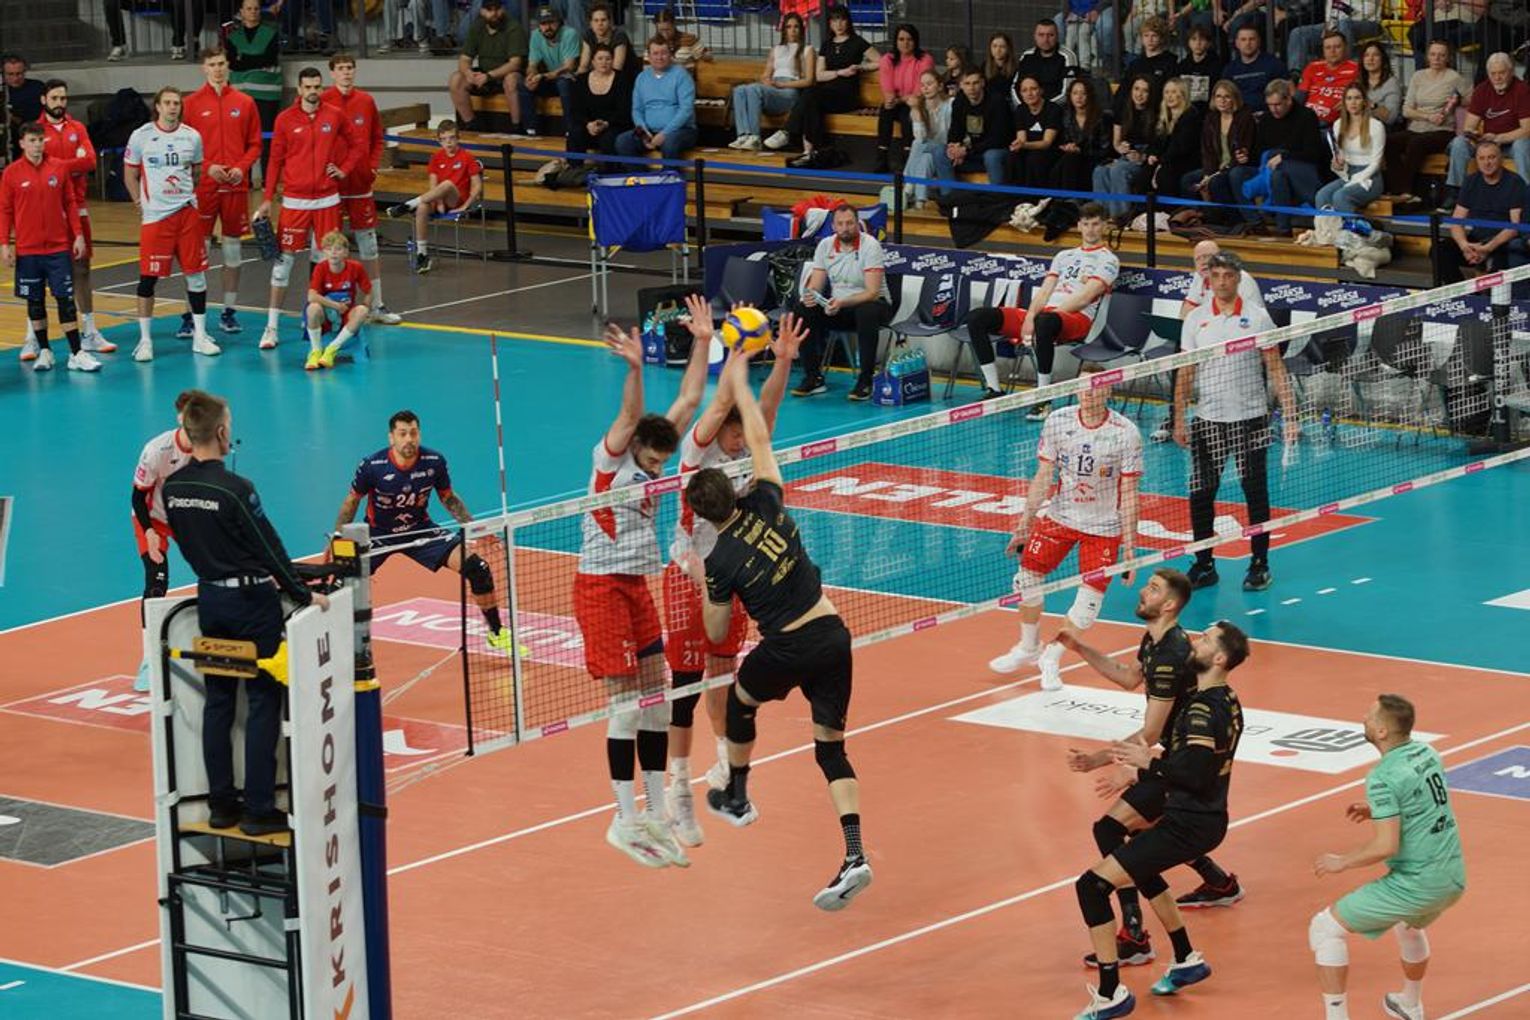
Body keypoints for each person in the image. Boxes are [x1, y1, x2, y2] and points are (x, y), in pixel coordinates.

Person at [683, 349, 872, 912]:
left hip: (788, 645)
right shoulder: (767, 500)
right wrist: (742, 387)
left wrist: (704, 583)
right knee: (831, 751)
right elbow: (762, 440)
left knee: (741, 701)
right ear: (736, 491)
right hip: (832, 632)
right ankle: (854, 853)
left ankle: (738, 795)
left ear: (703, 515)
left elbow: (717, 631)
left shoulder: (718, 560)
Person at [662, 300, 802, 847]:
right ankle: (677, 788)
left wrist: (782, 360)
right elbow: (722, 402)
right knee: (685, 685)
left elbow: (766, 409)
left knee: (724, 677)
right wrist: (733, 351)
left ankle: (724, 770)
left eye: (746, 436)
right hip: (687, 575)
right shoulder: (697, 454)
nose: (742, 441)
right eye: (735, 434)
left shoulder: (748, 449)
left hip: (733, 578)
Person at [574, 306, 710, 869]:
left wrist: (703, 341)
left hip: (636, 584)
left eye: (661, 463)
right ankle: (623, 819)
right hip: (600, 586)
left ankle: (655, 813)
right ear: (633, 448)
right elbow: (631, 414)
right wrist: (634, 368)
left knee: (659, 700)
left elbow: (690, 399)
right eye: (651, 462)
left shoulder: (657, 454)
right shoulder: (610, 460)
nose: (656, 471)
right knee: (626, 706)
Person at [1060, 570, 1245, 969]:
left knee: (1116, 833)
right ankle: (1213, 885)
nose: (1143, 590)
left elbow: (1151, 732)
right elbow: (1129, 677)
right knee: (1130, 835)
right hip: (1174, 762)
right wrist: (1079, 648)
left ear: (1170, 605)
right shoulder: (1156, 640)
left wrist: (1106, 760)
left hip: (1175, 765)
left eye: (1154, 588)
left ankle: (1135, 932)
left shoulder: (1170, 657)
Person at [164, 392, 327, 837]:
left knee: (218, 701)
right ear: (220, 432)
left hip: (210, 601)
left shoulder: (173, 488)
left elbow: (185, 540)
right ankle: (258, 809)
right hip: (252, 605)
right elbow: (268, 546)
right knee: (262, 700)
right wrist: (303, 594)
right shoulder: (237, 489)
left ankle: (221, 805)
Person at [1310, 694, 1466, 1020]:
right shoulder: (1428, 752)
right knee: (1408, 925)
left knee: (1324, 929)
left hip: (1417, 882)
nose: (1364, 719)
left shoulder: (1382, 776)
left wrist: (1342, 861)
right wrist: (1378, 811)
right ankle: (1410, 1004)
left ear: (1382, 732)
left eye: (1369, 716)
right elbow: (1420, 801)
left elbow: (1386, 847)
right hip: (1452, 875)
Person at [988, 362, 1142, 689]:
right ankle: (1029, 647)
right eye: (1083, 386)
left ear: (1109, 390)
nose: (1089, 393)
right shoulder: (1058, 421)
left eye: (1097, 386)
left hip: (1104, 526)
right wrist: (1025, 524)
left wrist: (1130, 548)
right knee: (1026, 579)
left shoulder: (1125, 432)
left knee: (1088, 605)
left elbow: (1130, 491)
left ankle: (1052, 656)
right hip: (1061, 516)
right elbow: (1044, 476)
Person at [335, 409, 520, 651]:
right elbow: (352, 501)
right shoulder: (372, 466)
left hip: (419, 530)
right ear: (391, 437)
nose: (409, 439)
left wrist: (475, 528)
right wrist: (338, 538)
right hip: (379, 533)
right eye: (402, 433)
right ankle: (334, 640)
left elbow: (448, 498)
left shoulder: (434, 462)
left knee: (478, 568)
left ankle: (496, 633)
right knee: (342, 582)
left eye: (413, 433)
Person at [1173, 252, 1299, 591]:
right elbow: (1185, 372)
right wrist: (1178, 418)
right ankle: (1204, 564)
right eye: (1216, 276)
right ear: (1208, 280)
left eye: (1228, 276)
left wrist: (1290, 416)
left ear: (1238, 279)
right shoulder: (1195, 319)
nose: (1222, 282)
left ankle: (1259, 564)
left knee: (1255, 492)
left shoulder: (1257, 318)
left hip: (1250, 419)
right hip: (1208, 420)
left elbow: (1275, 368)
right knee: (1201, 493)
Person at [962, 202, 1118, 405]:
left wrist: (1041, 318)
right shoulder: (1063, 256)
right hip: (1045, 316)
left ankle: (1043, 397)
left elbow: (1085, 298)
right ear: (1079, 226)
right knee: (977, 318)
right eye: (1086, 224)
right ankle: (994, 389)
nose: (1090, 229)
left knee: (1044, 321)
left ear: (1105, 226)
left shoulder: (1108, 260)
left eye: (1096, 224)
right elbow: (1045, 291)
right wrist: (1029, 317)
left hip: (1077, 319)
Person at [253, 67, 360, 352]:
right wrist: (267, 198)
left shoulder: (334, 115)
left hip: (327, 200)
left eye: (317, 86)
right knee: (282, 266)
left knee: (326, 261)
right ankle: (271, 328)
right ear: (299, 89)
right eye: (308, 87)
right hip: (294, 202)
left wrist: (344, 169)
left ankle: (317, 319)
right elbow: (275, 160)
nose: (313, 91)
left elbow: (356, 145)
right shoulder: (285, 119)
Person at [124, 87, 221, 363]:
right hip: (156, 218)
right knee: (148, 279)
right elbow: (130, 173)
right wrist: (139, 202)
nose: (172, 107)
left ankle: (200, 337)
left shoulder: (192, 136)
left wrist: (185, 196)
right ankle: (145, 341)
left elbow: (197, 172)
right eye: (167, 103)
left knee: (196, 275)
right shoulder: (141, 136)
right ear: (157, 106)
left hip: (187, 214)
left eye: (176, 103)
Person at [0, 121, 93, 373]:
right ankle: (45, 351)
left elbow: (70, 203)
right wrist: (4, 243)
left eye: (40, 140)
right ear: (22, 143)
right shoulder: (11, 173)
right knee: (35, 302)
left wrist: (78, 235)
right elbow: (5, 211)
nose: (37, 145)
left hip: (58, 248)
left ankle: (77, 353)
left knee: (65, 300)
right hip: (28, 250)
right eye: (32, 141)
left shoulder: (58, 168)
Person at [32, 80, 113, 360]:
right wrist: (71, 165)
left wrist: (56, 165)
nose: (60, 103)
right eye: (54, 98)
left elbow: (90, 162)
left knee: (82, 268)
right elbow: (36, 167)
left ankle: (89, 331)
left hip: (77, 207)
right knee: (39, 272)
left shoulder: (78, 128)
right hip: (46, 211)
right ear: (44, 100)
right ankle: (33, 337)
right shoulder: (35, 131)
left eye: (63, 98)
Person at [184, 48, 261, 340]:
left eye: (221, 64)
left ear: (228, 66)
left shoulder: (245, 102)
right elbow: (184, 146)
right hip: (203, 189)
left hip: (235, 188)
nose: (217, 69)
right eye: (212, 64)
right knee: (198, 252)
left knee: (233, 252)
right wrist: (208, 167)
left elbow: (255, 144)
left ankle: (229, 311)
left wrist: (242, 168)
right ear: (203, 68)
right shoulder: (191, 104)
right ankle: (192, 315)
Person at [131, 390, 204, 691]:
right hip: (153, 520)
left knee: (217, 570)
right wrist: (149, 533)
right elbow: (138, 496)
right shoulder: (156, 450)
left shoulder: (206, 447)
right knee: (156, 582)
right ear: (179, 417)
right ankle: (149, 659)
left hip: (188, 517)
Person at [322, 54, 402, 326]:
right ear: (332, 73)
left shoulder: (366, 101)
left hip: (360, 185)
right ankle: (329, 310)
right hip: (331, 187)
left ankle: (376, 305)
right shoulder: (323, 100)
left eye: (350, 68)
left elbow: (377, 138)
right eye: (341, 69)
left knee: (369, 247)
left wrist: (372, 168)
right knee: (329, 248)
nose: (346, 73)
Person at [787, 202, 894, 401]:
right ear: (833, 226)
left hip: (875, 305)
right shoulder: (825, 245)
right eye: (840, 224)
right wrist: (812, 297)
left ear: (857, 223)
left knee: (866, 312)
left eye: (850, 223)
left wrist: (841, 303)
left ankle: (865, 381)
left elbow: (872, 292)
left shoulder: (870, 245)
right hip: (839, 307)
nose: (845, 228)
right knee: (802, 310)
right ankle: (813, 377)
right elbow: (816, 285)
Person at [1232, 79, 1333, 234]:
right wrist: (1246, 156)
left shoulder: (1306, 116)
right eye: (1270, 105)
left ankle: (1283, 229)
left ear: (1288, 99)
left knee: (1277, 173)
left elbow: (1313, 154)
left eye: (1278, 104)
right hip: (1268, 167)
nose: (1274, 109)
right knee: (1237, 174)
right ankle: (1256, 223)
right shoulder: (1266, 119)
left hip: (1301, 170)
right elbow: (1259, 153)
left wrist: (1285, 156)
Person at [784, 5, 877, 169]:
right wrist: (840, 72)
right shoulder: (827, 44)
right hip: (826, 93)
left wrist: (861, 67)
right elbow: (819, 75)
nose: (838, 25)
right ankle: (809, 151)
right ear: (830, 24)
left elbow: (881, 61)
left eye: (842, 20)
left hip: (846, 96)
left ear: (848, 22)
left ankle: (791, 133)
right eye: (834, 21)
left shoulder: (857, 42)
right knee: (812, 101)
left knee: (811, 96)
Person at [385, 120, 484, 273]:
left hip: (456, 199)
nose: (448, 142)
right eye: (444, 139)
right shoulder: (436, 157)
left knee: (447, 184)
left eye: (452, 138)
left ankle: (407, 205)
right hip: (439, 199)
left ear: (458, 138)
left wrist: (465, 206)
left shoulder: (467, 157)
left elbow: (477, 185)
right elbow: (433, 186)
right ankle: (422, 255)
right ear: (439, 141)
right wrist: (438, 203)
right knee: (422, 207)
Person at [1382, 41, 1467, 205]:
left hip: (1442, 130)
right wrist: (1428, 117)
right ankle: (1398, 189)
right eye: (1433, 54)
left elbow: (1470, 99)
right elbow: (1406, 110)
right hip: (1417, 127)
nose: (1437, 58)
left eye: (1441, 55)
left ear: (1448, 58)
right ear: (1428, 56)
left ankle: (1405, 191)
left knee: (1416, 143)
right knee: (1389, 141)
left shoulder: (1454, 77)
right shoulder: (1418, 76)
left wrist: (1457, 101)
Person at [1442, 52, 1530, 206]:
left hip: (1512, 144)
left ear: (1511, 72)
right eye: (1493, 74)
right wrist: (1474, 134)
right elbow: (1469, 126)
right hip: (1488, 143)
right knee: (1459, 143)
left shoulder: (1522, 90)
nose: (1497, 78)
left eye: (1501, 73)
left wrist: (1498, 138)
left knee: (1522, 145)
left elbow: (1527, 130)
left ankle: (1526, 195)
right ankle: (1456, 193)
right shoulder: (1482, 89)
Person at [1436, 139, 1528, 283]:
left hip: (1502, 242)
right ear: (1477, 161)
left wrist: (1488, 248)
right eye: (1482, 158)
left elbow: (1515, 226)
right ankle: (1462, 292)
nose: (1487, 163)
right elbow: (1456, 221)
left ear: (1501, 159)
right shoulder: (1471, 181)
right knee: (1439, 251)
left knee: (1507, 255)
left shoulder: (1515, 182)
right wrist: (1464, 246)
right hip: (1477, 240)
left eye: (1491, 157)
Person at [731, 13, 813, 152]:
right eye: (788, 27)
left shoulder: (807, 50)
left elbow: (809, 80)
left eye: (796, 27)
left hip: (789, 90)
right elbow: (765, 75)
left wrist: (783, 85)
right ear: (784, 30)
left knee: (754, 89)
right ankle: (743, 135)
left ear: (801, 29)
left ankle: (755, 137)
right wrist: (767, 81)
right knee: (739, 90)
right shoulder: (776, 49)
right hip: (773, 87)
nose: (792, 30)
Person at [448, 0, 531, 135]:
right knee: (456, 79)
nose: (494, 13)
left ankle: (517, 127)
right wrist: (468, 73)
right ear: (482, 11)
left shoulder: (514, 27)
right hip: (485, 73)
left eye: (497, 9)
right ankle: (471, 126)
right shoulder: (477, 26)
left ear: (503, 9)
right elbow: (464, 59)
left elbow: (515, 63)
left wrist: (489, 76)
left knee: (511, 79)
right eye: (489, 9)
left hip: (506, 74)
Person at [931, 66, 1013, 197]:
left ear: (982, 83)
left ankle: (997, 201)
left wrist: (966, 150)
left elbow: (998, 139)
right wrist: (954, 148)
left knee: (991, 156)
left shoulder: (997, 101)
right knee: (939, 151)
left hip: (997, 151)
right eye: (967, 84)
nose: (971, 88)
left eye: (975, 83)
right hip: (972, 151)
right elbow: (955, 130)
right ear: (961, 85)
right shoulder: (960, 101)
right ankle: (950, 198)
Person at [616, 37, 696, 162]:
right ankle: (641, 174)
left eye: (664, 53)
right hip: (648, 132)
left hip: (680, 130)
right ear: (649, 56)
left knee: (669, 144)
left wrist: (664, 133)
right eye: (655, 53)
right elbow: (637, 109)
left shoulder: (681, 75)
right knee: (623, 141)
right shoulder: (641, 78)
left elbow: (686, 110)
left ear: (670, 55)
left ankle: (669, 175)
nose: (660, 57)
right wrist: (643, 133)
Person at [1183, 79, 1256, 212]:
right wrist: (1208, 173)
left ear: (1234, 99)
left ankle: (1230, 217)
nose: (1222, 100)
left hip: (1235, 167)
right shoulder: (1211, 118)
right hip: (1216, 166)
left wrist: (1218, 173)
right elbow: (1207, 150)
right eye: (1218, 96)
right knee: (1188, 179)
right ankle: (1198, 215)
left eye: (1227, 97)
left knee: (1217, 182)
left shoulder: (1245, 118)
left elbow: (1244, 150)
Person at [1094, 74, 1159, 221]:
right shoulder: (1123, 110)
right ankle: (1101, 218)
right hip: (1125, 156)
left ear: (1150, 94)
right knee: (1100, 171)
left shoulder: (1156, 113)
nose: (1139, 94)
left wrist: (1142, 157)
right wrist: (1121, 148)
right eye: (1136, 89)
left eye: (1144, 91)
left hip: (1144, 159)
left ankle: (1121, 218)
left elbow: (1158, 145)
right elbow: (1116, 143)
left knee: (1119, 170)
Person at [301, 230, 369, 370]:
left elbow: (368, 291)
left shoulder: (356, 267)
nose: (333, 253)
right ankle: (316, 351)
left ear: (346, 252)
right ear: (324, 252)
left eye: (338, 249)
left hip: (346, 313)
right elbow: (311, 296)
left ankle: (331, 349)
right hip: (326, 314)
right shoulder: (320, 268)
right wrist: (335, 305)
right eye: (329, 249)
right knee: (312, 308)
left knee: (362, 311)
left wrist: (366, 306)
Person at [1315, 84, 1386, 213]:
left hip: (1370, 177)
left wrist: (1356, 179)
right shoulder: (1338, 125)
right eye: (1349, 98)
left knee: (1340, 197)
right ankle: (1329, 226)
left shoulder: (1376, 126)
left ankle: (1354, 226)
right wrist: (1337, 165)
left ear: (1364, 102)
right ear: (1344, 102)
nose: (1353, 102)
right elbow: (1342, 158)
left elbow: (1376, 163)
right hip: (1348, 175)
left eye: (1357, 98)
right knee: (1322, 196)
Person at [874, 23, 933, 173]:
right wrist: (890, 100)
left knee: (908, 112)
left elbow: (919, 91)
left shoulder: (924, 59)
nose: (905, 43)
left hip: (917, 102)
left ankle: (908, 156)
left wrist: (900, 100)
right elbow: (887, 86)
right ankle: (882, 156)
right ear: (895, 41)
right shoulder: (888, 59)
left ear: (915, 41)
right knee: (886, 110)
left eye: (909, 39)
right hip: (896, 101)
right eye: (901, 39)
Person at [223, 0, 282, 148]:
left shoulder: (271, 33)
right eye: (249, 8)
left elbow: (269, 59)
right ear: (241, 12)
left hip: (267, 96)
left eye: (256, 8)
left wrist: (243, 58)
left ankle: (266, 164)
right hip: (240, 96)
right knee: (242, 137)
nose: (253, 12)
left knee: (267, 136)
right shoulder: (233, 37)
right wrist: (257, 60)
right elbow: (233, 63)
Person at [566, 43, 632, 165]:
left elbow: (624, 111)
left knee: (609, 138)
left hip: (613, 125)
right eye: (600, 59)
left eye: (608, 59)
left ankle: (610, 173)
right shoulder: (581, 80)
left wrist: (606, 124)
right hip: (589, 125)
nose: (604, 62)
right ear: (593, 61)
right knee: (575, 132)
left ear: (612, 61)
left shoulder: (622, 79)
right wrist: (588, 124)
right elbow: (576, 110)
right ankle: (574, 170)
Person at [526, 6, 581, 137]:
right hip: (551, 79)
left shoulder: (569, 33)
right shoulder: (536, 35)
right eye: (543, 24)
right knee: (524, 85)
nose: (548, 27)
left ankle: (570, 130)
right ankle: (531, 129)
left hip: (573, 80)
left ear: (559, 22)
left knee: (563, 82)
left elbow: (569, 67)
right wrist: (531, 76)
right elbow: (532, 64)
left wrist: (543, 76)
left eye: (551, 22)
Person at [1147, 77, 1204, 202]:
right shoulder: (1164, 116)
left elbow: (1181, 148)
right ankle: (1145, 210)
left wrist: (1161, 163)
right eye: (1166, 92)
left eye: (1174, 92)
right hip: (1168, 159)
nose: (1169, 96)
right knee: (1145, 170)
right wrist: (1153, 154)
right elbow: (1156, 142)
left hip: (1186, 161)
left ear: (1183, 94)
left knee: (1165, 174)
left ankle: (1167, 210)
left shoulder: (1190, 116)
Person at [1051, 78, 1113, 193]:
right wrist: (1067, 147)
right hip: (1071, 159)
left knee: (1070, 160)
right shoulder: (1066, 116)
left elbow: (1105, 149)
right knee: (1066, 160)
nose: (1078, 97)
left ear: (1089, 96)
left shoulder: (1102, 118)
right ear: (1070, 96)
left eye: (1083, 93)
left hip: (1094, 159)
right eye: (1075, 93)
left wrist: (1081, 151)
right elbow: (1062, 141)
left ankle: (1068, 199)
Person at [1288, 0, 1382, 72]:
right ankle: (1296, 73)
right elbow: (1330, 7)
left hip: (1368, 23)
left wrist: (1344, 13)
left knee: (1344, 24)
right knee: (1298, 33)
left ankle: (1343, 68)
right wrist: (1329, 24)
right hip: (1336, 23)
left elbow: (1369, 9)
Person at [904, 69, 951, 207]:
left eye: (929, 84)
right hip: (928, 151)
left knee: (918, 144)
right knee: (926, 158)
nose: (925, 88)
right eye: (922, 85)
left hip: (946, 148)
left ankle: (908, 184)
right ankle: (920, 201)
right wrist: (916, 110)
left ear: (940, 86)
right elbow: (921, 136)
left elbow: (921, 141)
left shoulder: (950, 104)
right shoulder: (918, 107)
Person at [1298, 30, 1360, 125]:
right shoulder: (1312, 67)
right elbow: (1300, 96)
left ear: (1346, 48)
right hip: (1307, 119)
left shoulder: (1356, 69)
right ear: (1323, 50)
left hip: (1335, 122)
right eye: (1328, 48)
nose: (1332, 51)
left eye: (1337, 47)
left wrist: (1349, 102)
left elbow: (1362, 95)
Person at [1009, 76, 1061, 189]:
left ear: (1041, 90)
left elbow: (1047, 142)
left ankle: (1039, 195)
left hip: (1050, 150)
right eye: (1024, 90)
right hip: (1029, 148)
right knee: (1013, 156)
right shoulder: (1021, 109)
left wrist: (1024, 145)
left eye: (1033, 89)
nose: (1029, 93)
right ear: (1020, 94)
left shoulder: (1053, 109)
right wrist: (1017, 145)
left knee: (1035, 158)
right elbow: (1021, 139)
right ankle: (1017, 195)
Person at [1224, 25, 1288, 111]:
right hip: (1240, 115)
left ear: (1259, 41)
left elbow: (1289, 92)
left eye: (1252, 39)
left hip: (1269, 114)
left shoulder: (1274, 64)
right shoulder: (1230, 69)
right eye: (1243, 39)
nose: (1248, 43)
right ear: (1237, 43)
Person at [1014, 17, 1076, 105]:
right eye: (1041, 35)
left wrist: (1043, 108)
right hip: (1027, 108)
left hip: (1056, 109)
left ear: (1057, 36)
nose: (1045, 40)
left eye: (1050, 35)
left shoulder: (1068, 56)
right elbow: (1015, 87)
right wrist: (1023, 106)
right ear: (1035, 36)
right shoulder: (1026, 56)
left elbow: (1068, 92)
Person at [1410, 0, 1482, 71]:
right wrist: (1438, 4)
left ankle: (1444, 75)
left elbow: (1482, 9)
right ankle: (1423, 74)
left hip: (1466, 24)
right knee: (1415, 32)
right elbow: (1424, 10)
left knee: (1440, 34)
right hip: (1436, 25)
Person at [576, 2, 632, 78]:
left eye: (603, 20)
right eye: (596, 20)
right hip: (599, 74)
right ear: (590, 24)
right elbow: (584, 65)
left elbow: (617, 67)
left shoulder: (619, 35)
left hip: (623, 76)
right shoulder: (588, 35)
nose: (600, 24)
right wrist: (578, 79)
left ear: (610, 22)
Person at [1124, 16, 1179, 88]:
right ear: (1142, 39)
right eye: (1146, 35)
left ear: (1161, 38)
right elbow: (1124, 90)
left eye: (1154, 36)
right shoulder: (1135, 65)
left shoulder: (1170, 63)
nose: (1150, 39)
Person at [1177, 24, 1224, 106]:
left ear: (1208, 43)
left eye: (1202, 39)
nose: (1198, 43)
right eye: (1193, 39)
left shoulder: (1217, 65)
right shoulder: (1182, 65)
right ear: (1188, 43)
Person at [1357, 41, 1400, 127]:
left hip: (1381, 128)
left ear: (1382, 59)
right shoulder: (1358, 81)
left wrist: (1372, 105)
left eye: (1375, 55)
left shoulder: (1391, 83)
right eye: (1366, 55)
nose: (1370, 59)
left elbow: (1391, 118)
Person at [983, 31, 1018, 95]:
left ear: (1008, 48)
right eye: (994, 46)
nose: (998, 50)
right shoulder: (984, 67)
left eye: (1002, 46)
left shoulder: (1016, 68)